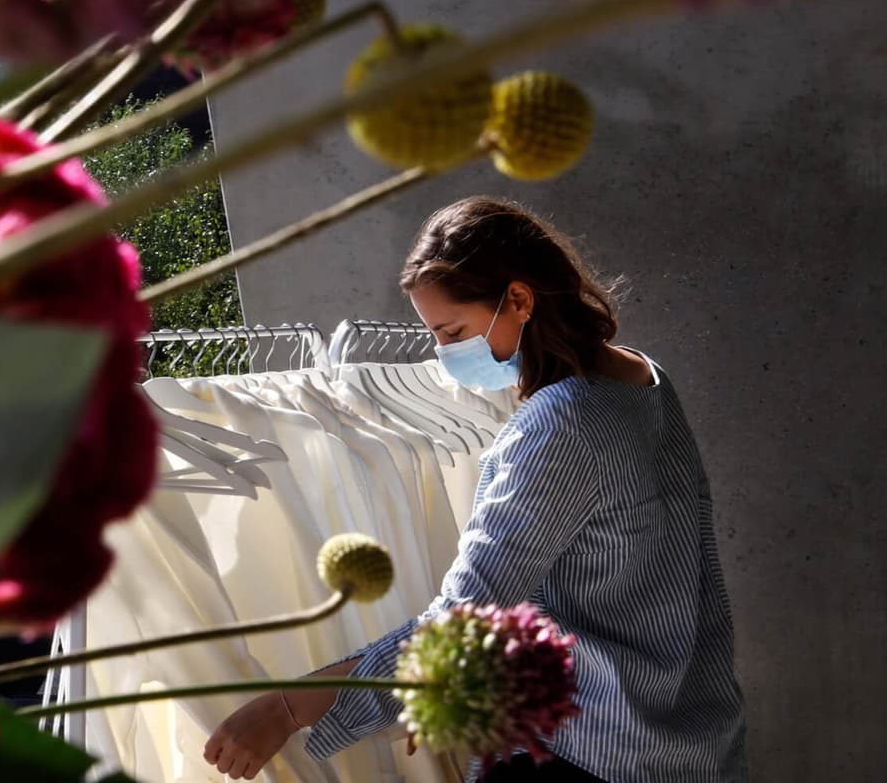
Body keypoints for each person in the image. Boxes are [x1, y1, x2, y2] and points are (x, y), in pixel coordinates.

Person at [203, 196, 747, 782]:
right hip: (690, 738)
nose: (442, 355)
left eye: (452, 331)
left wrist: (284, 708)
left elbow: (464, 617)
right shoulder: (644, 378)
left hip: (587, 750)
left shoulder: (563, 424)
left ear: (518, 300)